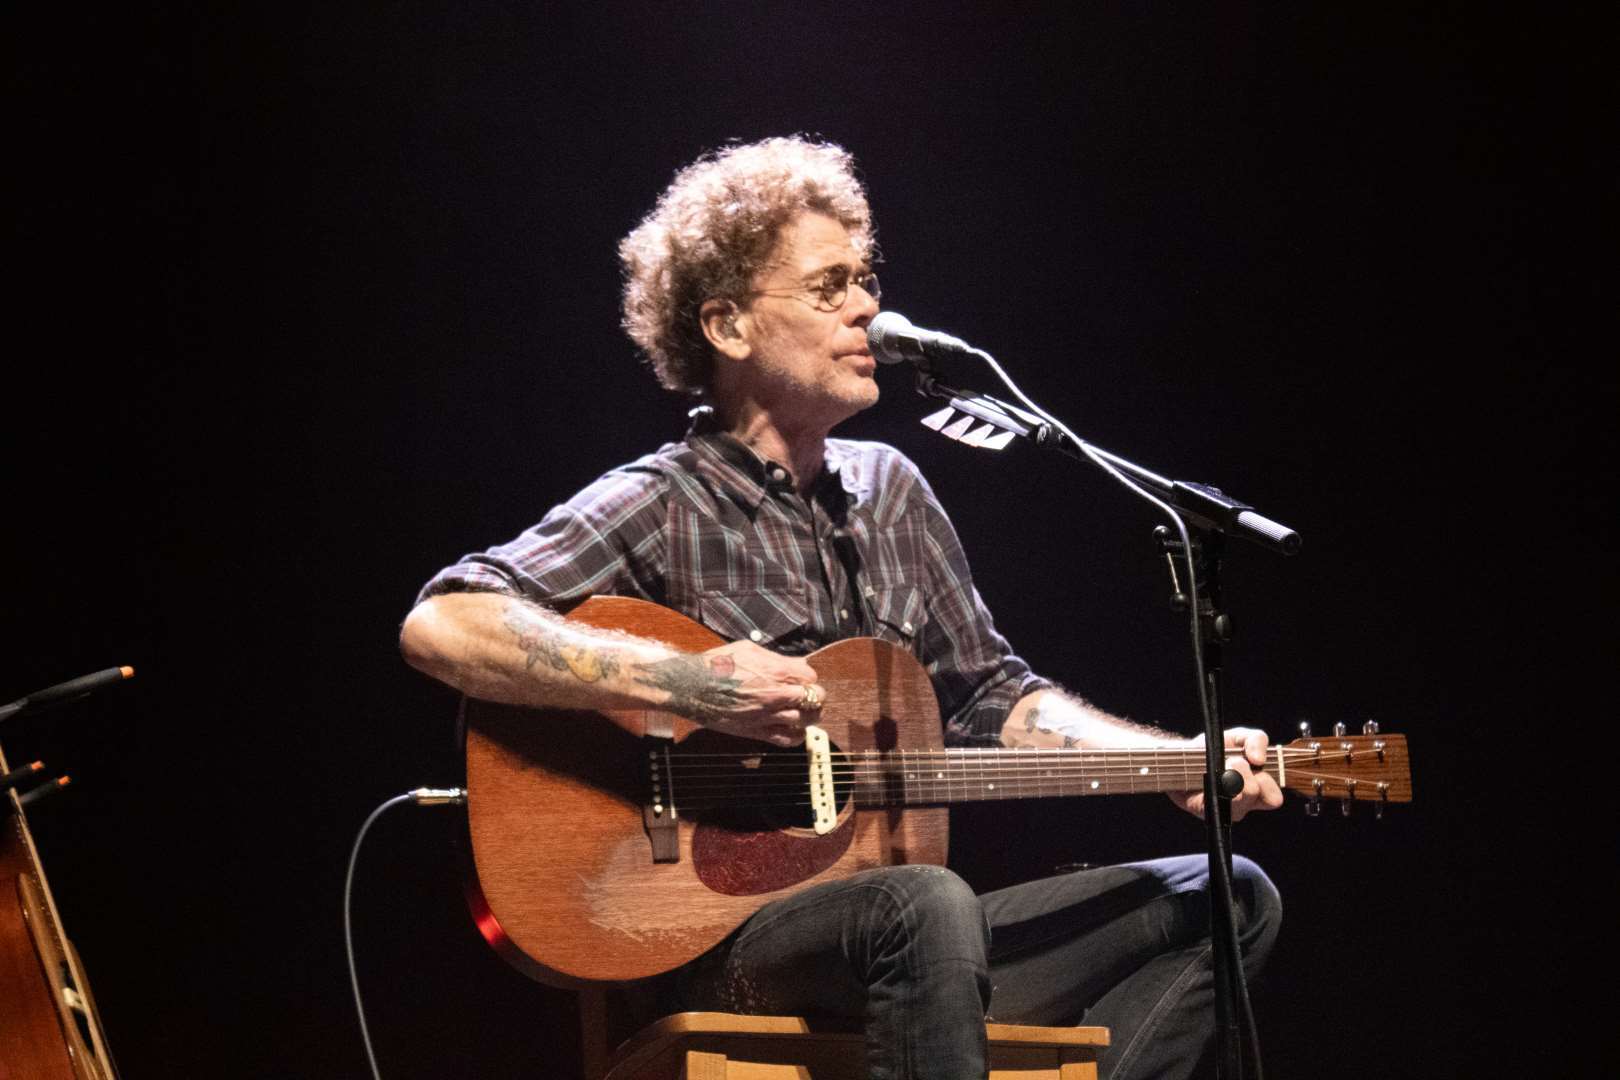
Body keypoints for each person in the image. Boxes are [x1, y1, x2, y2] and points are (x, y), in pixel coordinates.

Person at [400, 136, 1283, 1080]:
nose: (867, 306)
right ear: (728, 326)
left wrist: (1172, 759)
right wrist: (687, 681)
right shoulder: (661, 501)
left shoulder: (893, 493)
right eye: (829, 287)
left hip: (910, 945)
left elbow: (992, 694)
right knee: (927, 902)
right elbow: (445, 621)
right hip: (723, 949)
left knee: (1229, 897)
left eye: (866, 279)